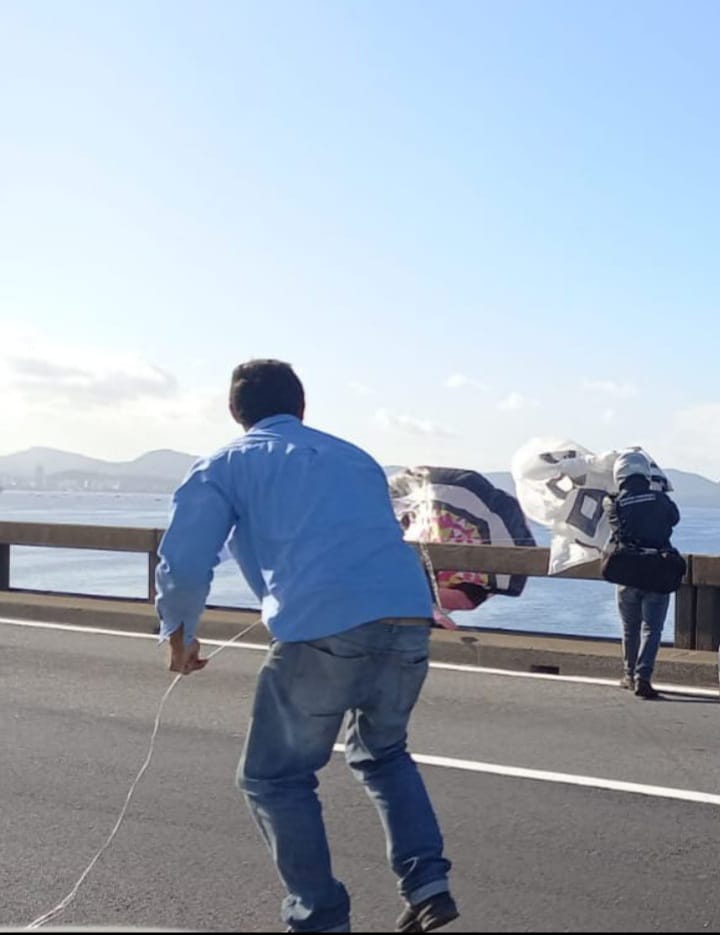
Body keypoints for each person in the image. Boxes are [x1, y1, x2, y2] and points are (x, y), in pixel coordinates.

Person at [155, 359, 459, 934]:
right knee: (384, 753)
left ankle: (318, 916)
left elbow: (186, 562)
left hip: (322, 630)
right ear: (302, 406)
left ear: (234, 411)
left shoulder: (224, 465)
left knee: (274, 779)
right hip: (410, 619)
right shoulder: (356, 458)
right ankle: (428, 883)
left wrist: (181, 637)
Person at [603, 450, 681, 699]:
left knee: (630, 627)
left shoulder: (614, 502)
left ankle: (628, 674)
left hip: (628, 570)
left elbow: (616, 528)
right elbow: (674, 519)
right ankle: (643, 676)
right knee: (653, 628)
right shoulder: (660, 499)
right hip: (658, 569)